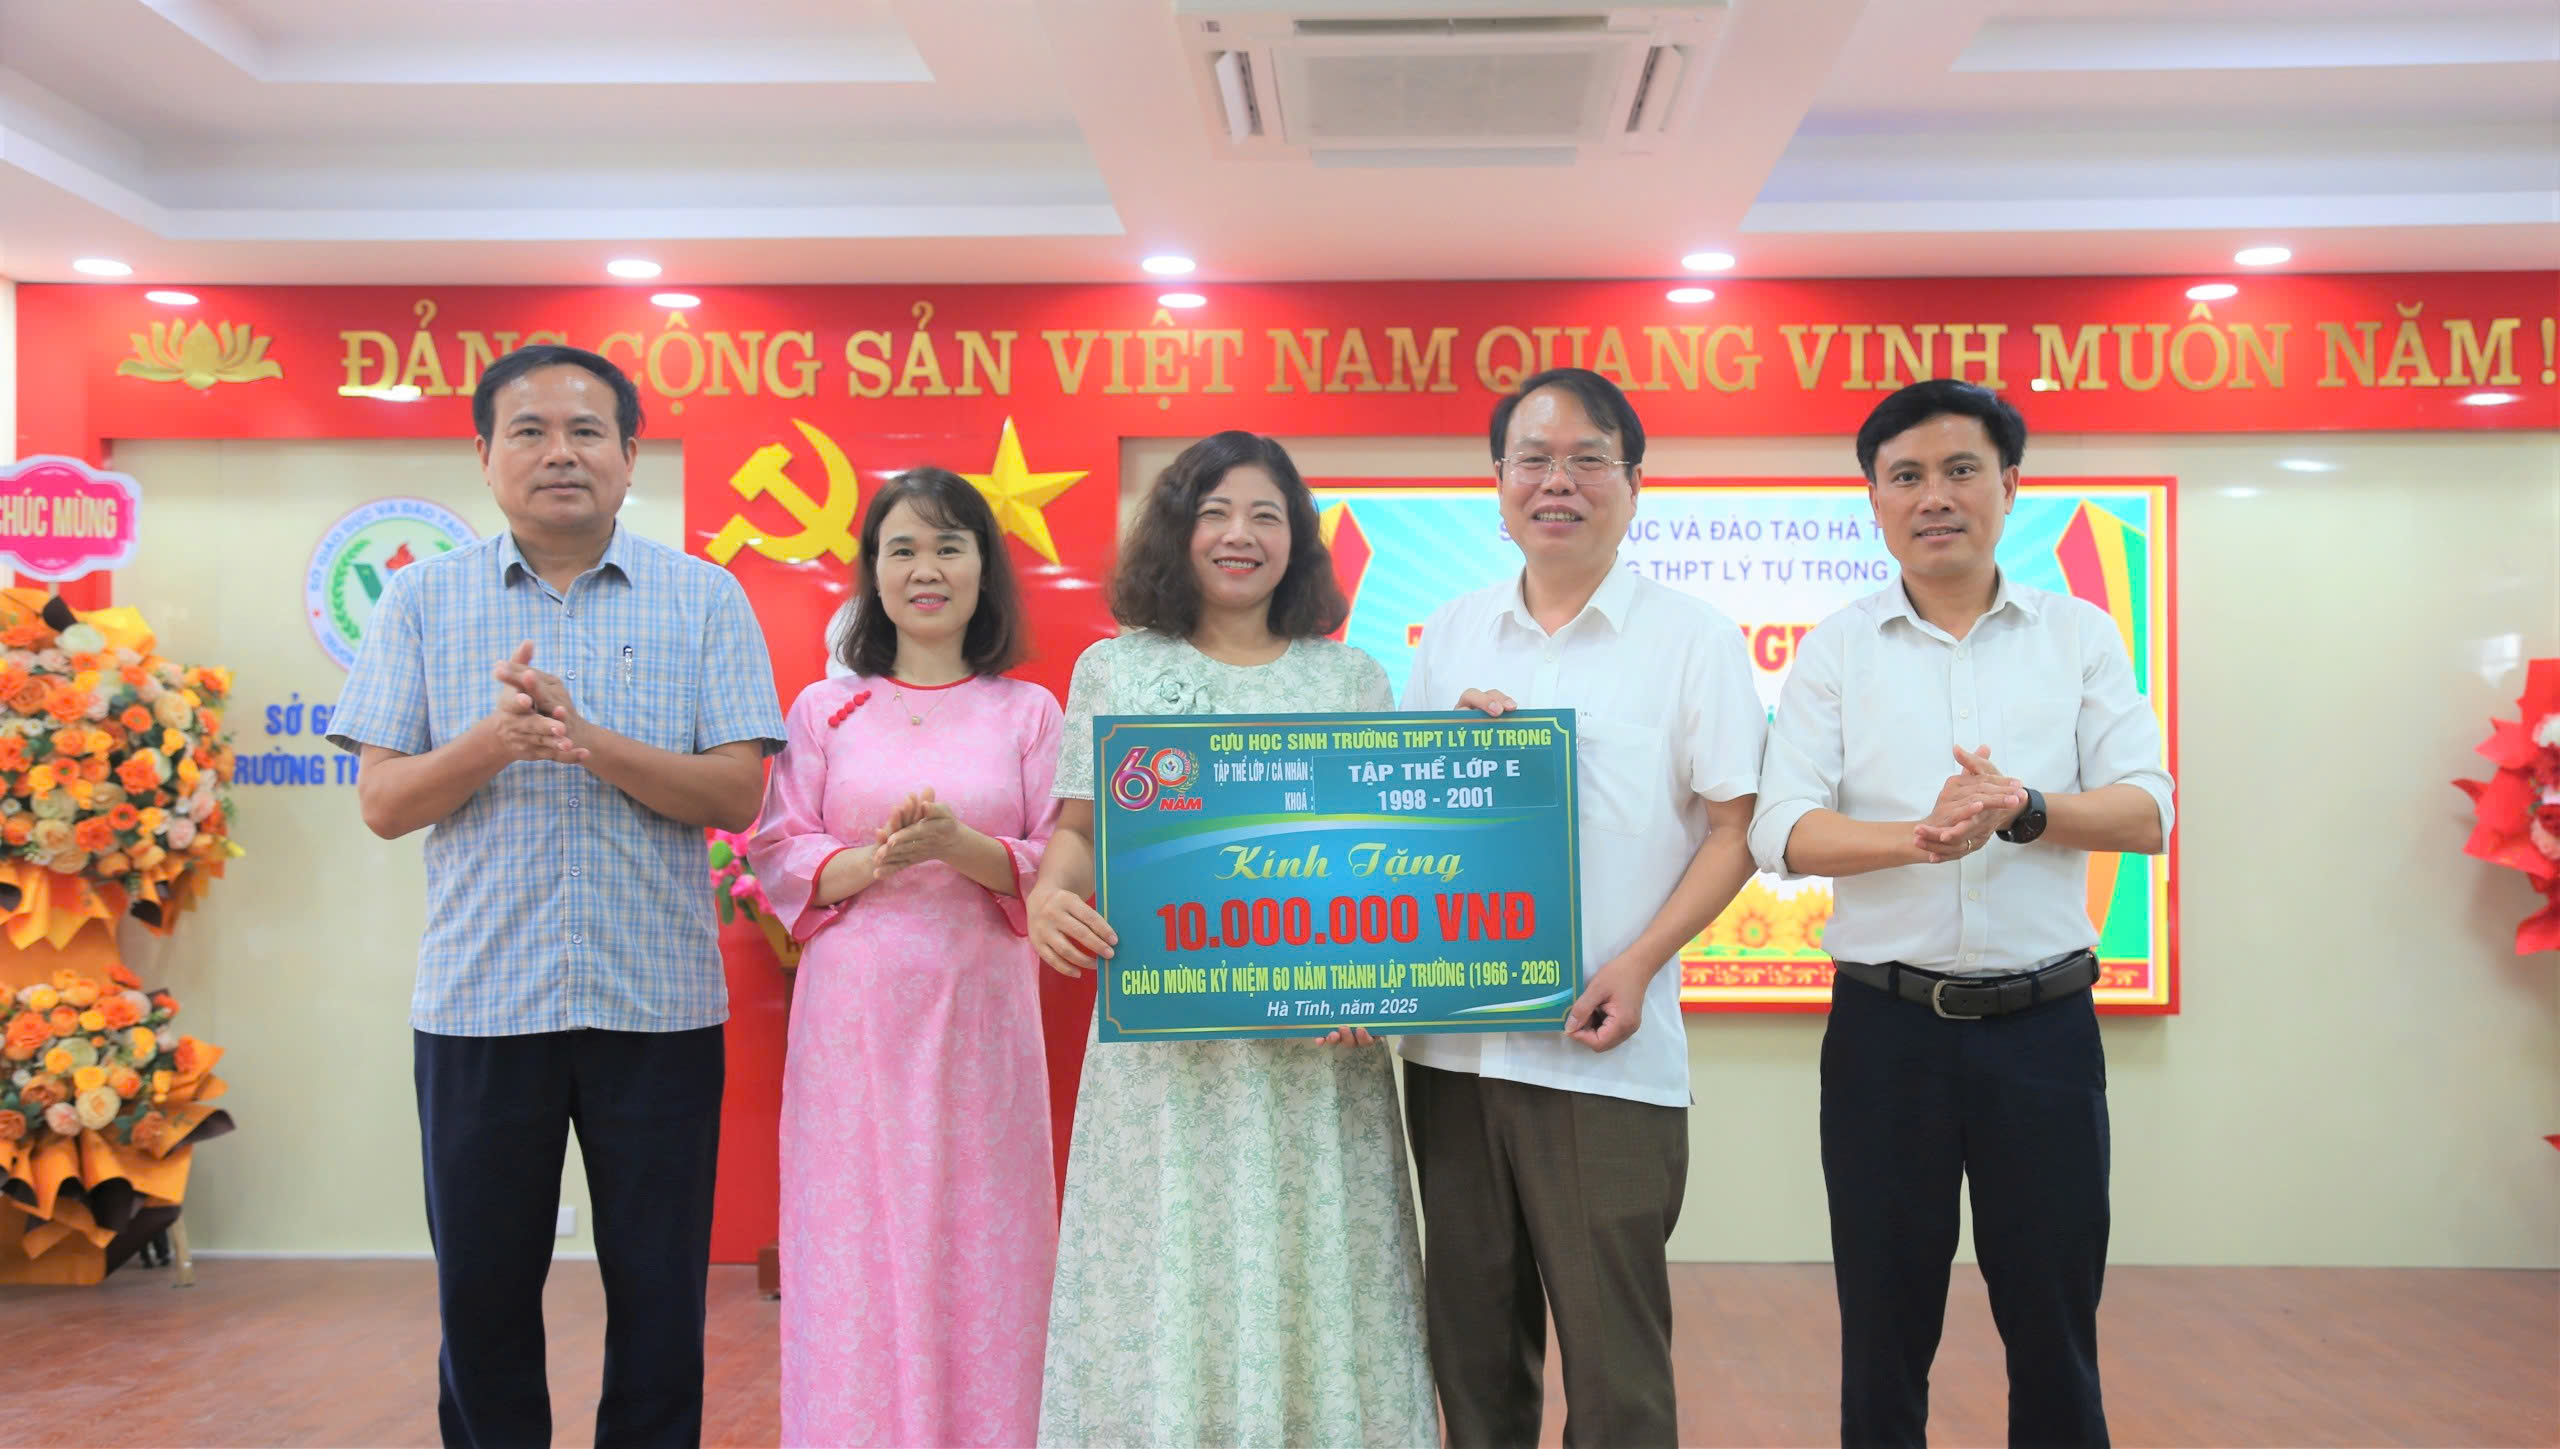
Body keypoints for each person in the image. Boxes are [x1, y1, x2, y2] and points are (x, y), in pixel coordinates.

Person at [325, 344, 785, 1449]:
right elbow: (383, 802)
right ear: (485, 457)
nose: (560, 453)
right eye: (528, 431)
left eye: (586, 431)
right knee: (481, 1299)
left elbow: (736, 791)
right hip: (481, 1005)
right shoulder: (421, 599)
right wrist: (494, 742)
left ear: (630, 455)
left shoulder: (704, 597)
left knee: (661, 1297)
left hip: (657, 1008)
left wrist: (585, 739)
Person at [1747, 379, 2174, 1448]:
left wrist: (2022, 808)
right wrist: (1919, 838)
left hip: (2045, 1034)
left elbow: (2148, 810)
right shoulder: (1837, 648)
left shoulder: (2078, 635)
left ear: (2010, 486)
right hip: (1885, 1036)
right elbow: (1781, 829)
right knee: (1883, 1329)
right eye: (1905, 476)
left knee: (2054, 1324)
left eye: (1959, 470)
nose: (1932, 495)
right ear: (1874, 500)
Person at [1024, 430, 1439, 1448]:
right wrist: (1048, 895)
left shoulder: (1351, 680)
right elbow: (1077, 834)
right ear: (1177, 529)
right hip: (1165, 1066)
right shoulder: (1116, 670)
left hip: (1317, 1062)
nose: (1238, 534)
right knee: (1170, 1268)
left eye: (1265, 515)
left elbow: (1380, 867)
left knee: (1316, 1269)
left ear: (1298, 539)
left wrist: (1377, 988)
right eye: (1213, 513)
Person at [1398, 367, 1766, 1449]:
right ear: (1498, 481)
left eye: (1587, 459)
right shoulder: (1450, 636)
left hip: (1601, 1052)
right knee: (1472, 1360)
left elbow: (1736, 830)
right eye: (1533, 459)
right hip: (1453, 1056)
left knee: (1616, 1376)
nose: (1557, 482)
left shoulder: (1692, 639)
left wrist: (1639, 963)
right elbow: (1402, 825)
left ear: (1633, 481)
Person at [746, 467, 1062, 1448]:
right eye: (903, 549)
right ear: (873, 574)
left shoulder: (1030, 713)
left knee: (987, 1236)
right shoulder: (823, 709)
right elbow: (778, 847)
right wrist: (871, 861)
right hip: (852, 1021)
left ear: (984, 569)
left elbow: (1064, 860)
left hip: (982, 1018)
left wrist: (960, 847)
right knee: (855, 1236)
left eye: (949, 547)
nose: (926, 569)